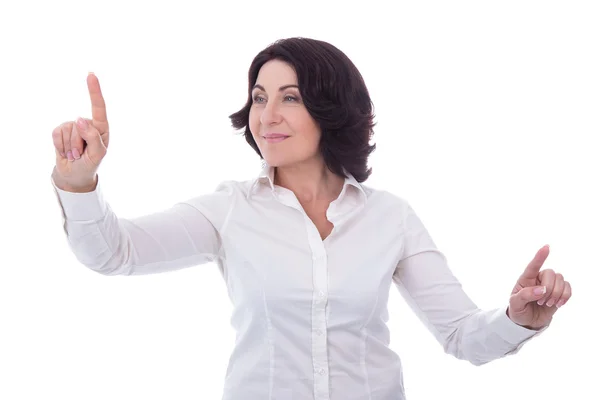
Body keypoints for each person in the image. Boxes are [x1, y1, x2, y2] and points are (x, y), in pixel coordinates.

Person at [50, 37, 572, 400]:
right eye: (259, 98)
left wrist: (517, 319)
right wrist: (78, 181)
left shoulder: (390, 217)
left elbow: (461, 335)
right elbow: (113, 254)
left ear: (331, 108)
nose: (266, 116)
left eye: (290, 98)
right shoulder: (228, 209)